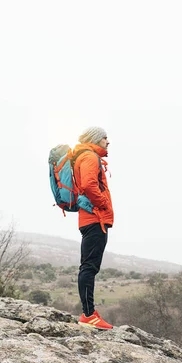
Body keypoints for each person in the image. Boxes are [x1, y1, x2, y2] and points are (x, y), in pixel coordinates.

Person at [72, 126, 114, 329]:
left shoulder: (84, 156)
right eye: (105, 137)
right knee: (89, 267)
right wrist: (103, 204)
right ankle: (89, 315)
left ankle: (89, 313)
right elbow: (89, 185)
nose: (108, 141)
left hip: (90, 218)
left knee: (88, 266)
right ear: (96, 139)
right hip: (95, 219)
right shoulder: (89, 157)